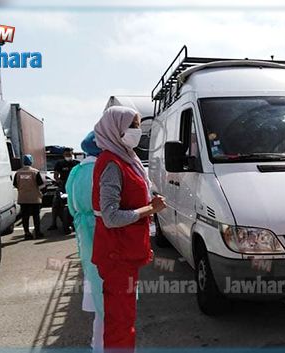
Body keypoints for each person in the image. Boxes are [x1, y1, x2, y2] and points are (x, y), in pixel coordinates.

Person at [91, 106, 167, 351]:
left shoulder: (125, 159)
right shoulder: (112, 163)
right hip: (117, 255)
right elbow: (111, 216)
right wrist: (150, 209)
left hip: (124, 253)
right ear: (116, 129)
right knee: (120, 321)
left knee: (123, 317)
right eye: (132, 125)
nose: (137, 130)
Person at [65, 132, 104, 350]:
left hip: (83, 228)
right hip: (102, 227)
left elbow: (71, 205)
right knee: (107, 286)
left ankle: (96, 342)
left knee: (93, 276)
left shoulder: (77, 170)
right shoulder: (102, 168)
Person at [13, 154, 45, 240]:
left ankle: (27, 233)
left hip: (23, 198)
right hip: (34, 198)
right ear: (31, 161)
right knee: (36, 216)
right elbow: (41, 185)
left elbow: (15, 185)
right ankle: (37, 232)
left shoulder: (18, 173)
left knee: (25, 216)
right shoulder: (35, 172)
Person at [49, 147, 80, 231]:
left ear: (72, 154)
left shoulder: (77, 164)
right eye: (66, 154)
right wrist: (59, 181)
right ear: (63, 155)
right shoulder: (59, 164)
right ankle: (53, 223)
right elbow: (56, 176)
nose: (68, 156)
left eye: (70, 154)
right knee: (55, 204)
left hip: (75, 188)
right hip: (63, 187)